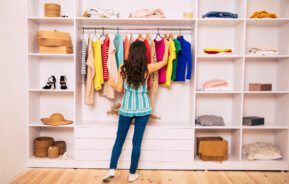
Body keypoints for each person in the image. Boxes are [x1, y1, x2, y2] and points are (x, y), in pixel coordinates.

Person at [102, 40, 169, 182]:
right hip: (143, 108)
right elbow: (163, 62)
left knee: (119, 139)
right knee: (136, 142)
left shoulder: (123, 68)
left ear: (130, 53)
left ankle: (111, 170)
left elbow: (120, 89)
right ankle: (132, 174)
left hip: (126, 107)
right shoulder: (147, 68)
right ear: (143, 54)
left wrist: (111, 82)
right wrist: (167, 46)